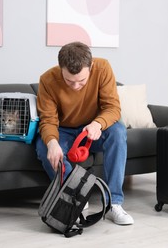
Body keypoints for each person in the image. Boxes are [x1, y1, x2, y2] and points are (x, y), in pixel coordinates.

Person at [35, 41, 134, 225]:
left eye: (81, 81)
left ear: (91, 67)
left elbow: (112, 108)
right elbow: (48, 120)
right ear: (60, 69)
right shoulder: (47, 80)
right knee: (43, 147)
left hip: (92, 128)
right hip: (63, 130)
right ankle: (77, 196)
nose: (75, 86)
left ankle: (114, 203)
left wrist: (98, 123)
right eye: (69, 81)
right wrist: (51, 142)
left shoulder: (103, 68)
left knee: (118, 132)